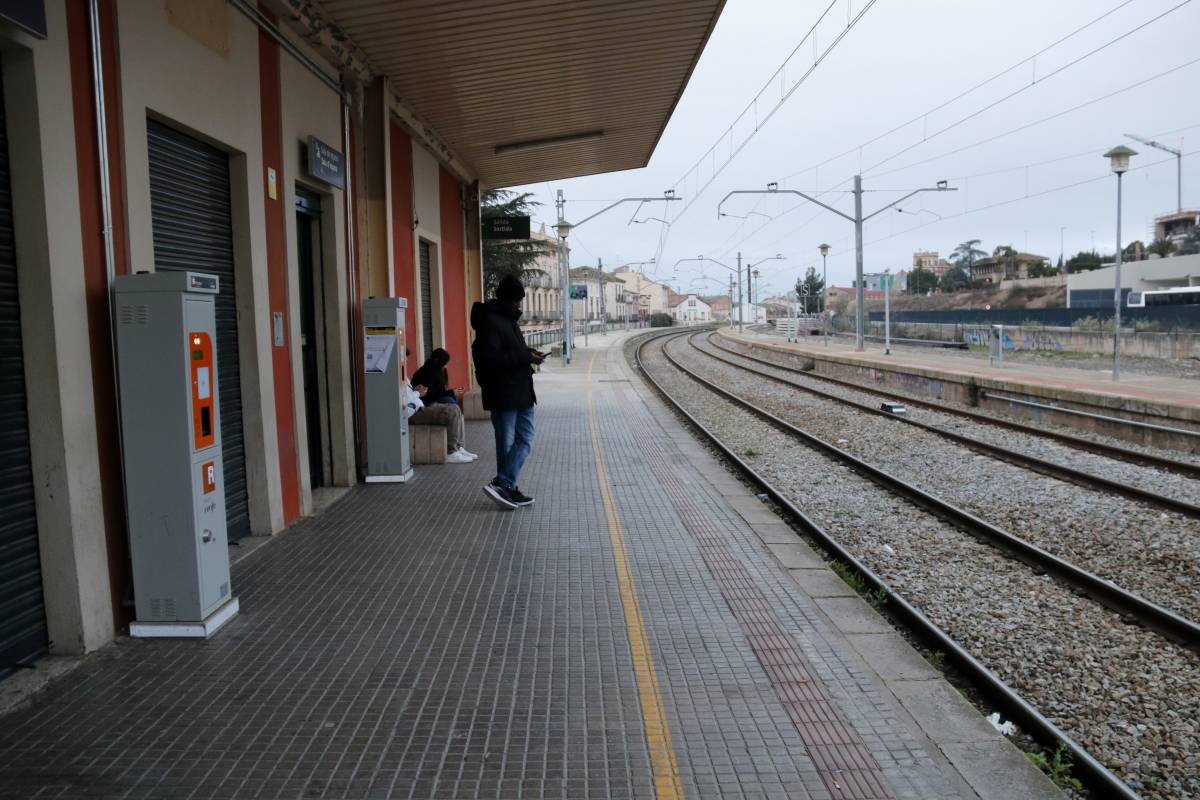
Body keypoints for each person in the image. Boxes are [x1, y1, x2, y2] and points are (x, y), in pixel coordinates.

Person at [470, 274, 545, 509]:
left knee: (525, 439)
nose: (518, 305)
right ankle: (505, 485)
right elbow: (491, 359)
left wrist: (530, 354)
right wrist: (525, 356)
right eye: (515, 300)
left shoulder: (507, 319)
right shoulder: (491, 322)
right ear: (505, 298)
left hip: (521, 390)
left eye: (519, 301)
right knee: (507, 442)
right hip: (503, 392)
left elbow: (512, 351)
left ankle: (505, 484)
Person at [404, 359, 477, 464]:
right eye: (405, 357)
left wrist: (415, 391)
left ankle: (458, 446)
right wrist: (418, 393)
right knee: (452, 411)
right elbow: (406, 400)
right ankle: (451, 452)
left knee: (455, 407)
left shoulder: (403, 375)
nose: (406, 360)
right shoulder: (428, 372)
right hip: (414, 411)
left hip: (421, 403)